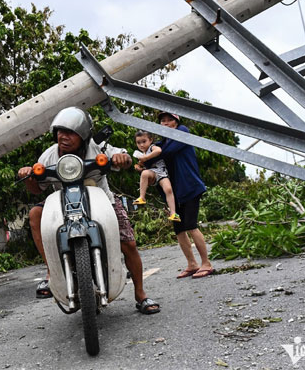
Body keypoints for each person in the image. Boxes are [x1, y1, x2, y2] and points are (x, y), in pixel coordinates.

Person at [17, 107, 160, 314]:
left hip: (103, 201)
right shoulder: (49, 155)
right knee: (35, 215)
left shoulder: (97, 147)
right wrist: (30, 175)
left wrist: (123, 159)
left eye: (70, 132)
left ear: (83, 135)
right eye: (60, 132)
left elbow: (124, 158)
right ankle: (52, 273)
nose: (63, 137)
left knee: (128, 243)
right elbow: (37, 189)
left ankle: (141, 294)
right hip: (63, 204)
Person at [150, 112, 214, 279]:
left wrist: (149, 156)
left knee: (191, 225)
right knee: (179, 229)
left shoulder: (183, 132)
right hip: (175, 193)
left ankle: (206, 263)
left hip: (190, 187)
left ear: (176, 122)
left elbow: (166, 153)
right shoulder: (161, 143)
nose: (166, 123)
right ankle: (192, 264)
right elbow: (151, 154)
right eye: (162, 121)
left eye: (169, 120)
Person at [132, 130, 180, 222]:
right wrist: (138, 166)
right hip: (152, 173)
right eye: (138, 143)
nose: (141, 145)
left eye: (144, 141)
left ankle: (173, 213)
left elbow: (158, 151)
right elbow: (140, 165)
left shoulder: (152, 147)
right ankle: (142, 197)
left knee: (168, 189)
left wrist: (146, 158)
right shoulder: (142, 154)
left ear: (150, 140)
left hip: (162, 172)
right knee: (144, 173)